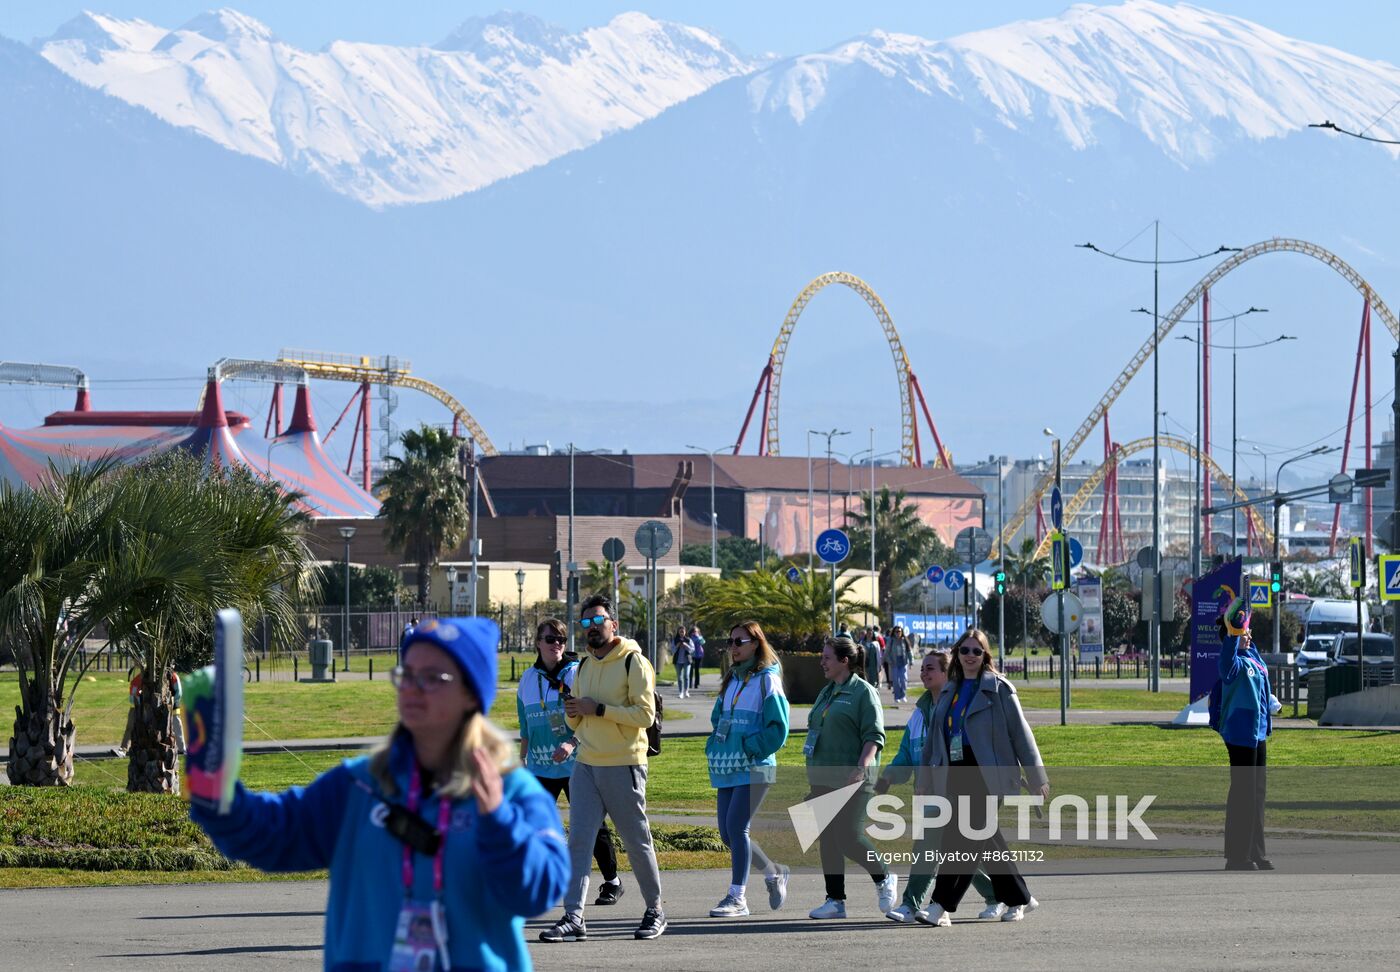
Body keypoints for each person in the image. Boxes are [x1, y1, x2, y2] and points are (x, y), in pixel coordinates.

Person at [190, 617, 569, 971]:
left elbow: (538, 892)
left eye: (433, 677)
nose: (412, 689)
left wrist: (499, 820)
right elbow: (273, 835)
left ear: (472, 694)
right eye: (407, 675)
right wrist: (214, 792)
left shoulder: (511, 790)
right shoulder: (360, 785)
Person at [540, 594, 667, 943]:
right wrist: (574, 716)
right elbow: (579, 717)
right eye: (586, 622)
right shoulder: (583, 666)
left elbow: (645, 716)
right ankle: (574, 917)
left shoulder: (634, 662)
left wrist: (598, 710)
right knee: (578, 841)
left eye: (598, 620)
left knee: (636, 841)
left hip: (624, 763)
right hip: (586, 765)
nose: (592, 627)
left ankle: (655, 910)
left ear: (614, 624)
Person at [920, 627, 1046, 926]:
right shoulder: (950, 689)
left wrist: (1037, 776)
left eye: (977, 651)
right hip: (955, 772)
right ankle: (1021, 897)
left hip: (988, 776)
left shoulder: (999, 688)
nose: (970, 656)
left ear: (985, 655)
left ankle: (940, 906)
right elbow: (934, 738)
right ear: (957, 654)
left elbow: (1021, 734)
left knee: (959, 839)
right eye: (965, 650)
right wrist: (925, 777)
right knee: (987, 840)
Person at [879, 650, 1002, 923]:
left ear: (947, 673)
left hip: (956, 793)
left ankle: (914, 904)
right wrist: (888, 776)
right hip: (928, 794)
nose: (923, 673)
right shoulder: (919, 714)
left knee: (929, 847)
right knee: (959, 854)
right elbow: (906, 755)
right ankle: (998, 893)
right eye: (922, 668)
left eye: (930, 668)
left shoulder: (958, 709)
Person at [516, 618, 624, 905]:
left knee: (590, 825)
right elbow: (525, 725)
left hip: (578, 762)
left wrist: (571, 742)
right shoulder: (528, 679)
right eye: (550, 639)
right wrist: (521, 758)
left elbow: (587, 720)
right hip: (540, 766)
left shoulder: (577, 674)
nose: (556, 645)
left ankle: (612, 881)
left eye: (561, 640)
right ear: (538, 642)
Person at [805, 634, 897, 919]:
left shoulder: (863, 692)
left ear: (844, 661)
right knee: (828, 839)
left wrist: (862, 766)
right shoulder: (827, 691)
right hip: (823, 776)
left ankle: (884, 877)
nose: (822, 662)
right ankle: (835, 900)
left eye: (827, 658)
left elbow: (874, 735)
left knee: (848, 836)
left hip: (853, 777)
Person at [705, 621, 791, 917]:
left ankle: (737, 897)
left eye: (739, 642)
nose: (732, 648)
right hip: (728, 765)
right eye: (730, 642)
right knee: (728, 835)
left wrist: (749, 747)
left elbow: (779, 728)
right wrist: (720, 744)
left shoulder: (768, 680)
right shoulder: (731, 679)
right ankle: (773, 872)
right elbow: (718, 719)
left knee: (737, 828)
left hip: (755, 765)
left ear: (756, 643)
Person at [1215, 600, 1274, 871]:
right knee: (1242, 793)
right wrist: (1233, 630)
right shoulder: (1234, 663)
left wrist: (1244, 618)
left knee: (1257, 794)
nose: (1249, 637)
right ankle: (1237, 856)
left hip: (1258, 732)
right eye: (1245, 635)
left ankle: (1256, 851)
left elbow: (1263, 689)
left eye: (1249, 634)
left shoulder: (1254, 659)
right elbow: (1227, 663)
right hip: (1239, 734)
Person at [886, 627, 911, 704]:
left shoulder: (905, 640)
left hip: (903, 662)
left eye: (899, 631)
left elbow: (909, 651)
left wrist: (911, 661)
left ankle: (903, 695)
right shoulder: (891, 640)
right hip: (894, 662)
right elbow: (887, 652)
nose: (898, 633)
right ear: (894, 632)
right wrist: (889, 661)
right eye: (896, 632)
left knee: (903, 680)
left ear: (902, 632)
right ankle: (897, 697)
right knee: (896, 681)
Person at [672, 629, 693, 699]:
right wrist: (677, 646)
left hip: (687, 661)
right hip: (678, 661)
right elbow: (672, 650)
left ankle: (686, 691)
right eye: (680, 631)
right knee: (679, 677)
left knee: (686, 676)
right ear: (678, 632)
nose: (681, 633)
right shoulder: (675, 640)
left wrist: (686, 645)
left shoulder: (688, 640)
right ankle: (680, 692)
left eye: (683, 632)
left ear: (685, 632)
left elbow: (692, 649)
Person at [689, 624, 705, 692]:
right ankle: (689, 683)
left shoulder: (700, 637)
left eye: (696, 631)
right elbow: (691, 643)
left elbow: (703, 642)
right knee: (691, 669)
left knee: (697, 670)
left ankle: (696, 683)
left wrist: (698, 637)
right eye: (694, 631)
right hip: (692, 655)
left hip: (699, 655)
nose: (695, 632)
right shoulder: (690, 637)